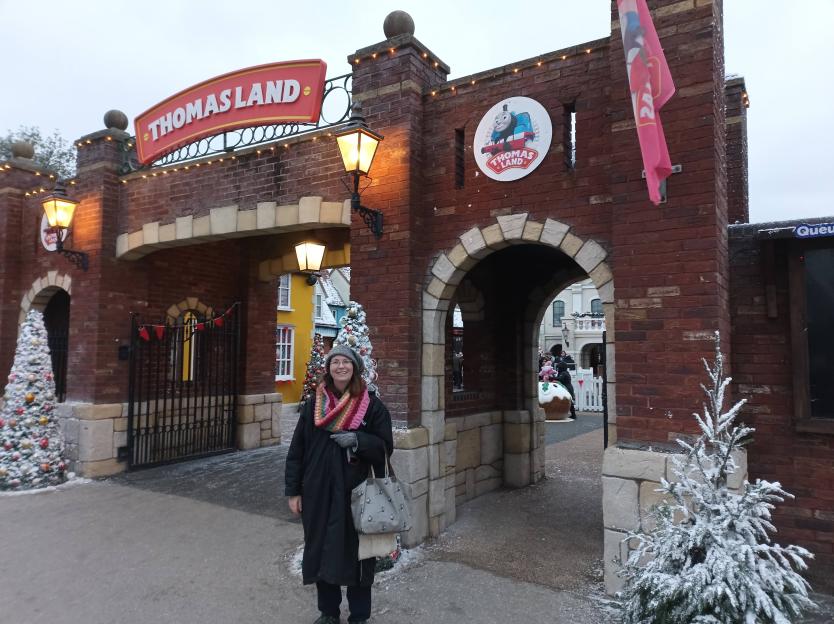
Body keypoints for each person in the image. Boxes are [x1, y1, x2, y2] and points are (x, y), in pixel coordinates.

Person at [285, 345, 393, 624]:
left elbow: (385, 447)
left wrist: (359, 440)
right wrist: (294, 491)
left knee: (358, 555)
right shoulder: (313, 405)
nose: (341, 367)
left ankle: (359, 615)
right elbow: (297, 450)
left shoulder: (371, 405)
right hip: (318, 491)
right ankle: (328, 612)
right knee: (321, 549)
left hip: (356, 493)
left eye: (346, 362)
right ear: (329, 368)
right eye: (336, 362)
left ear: (355, 367)